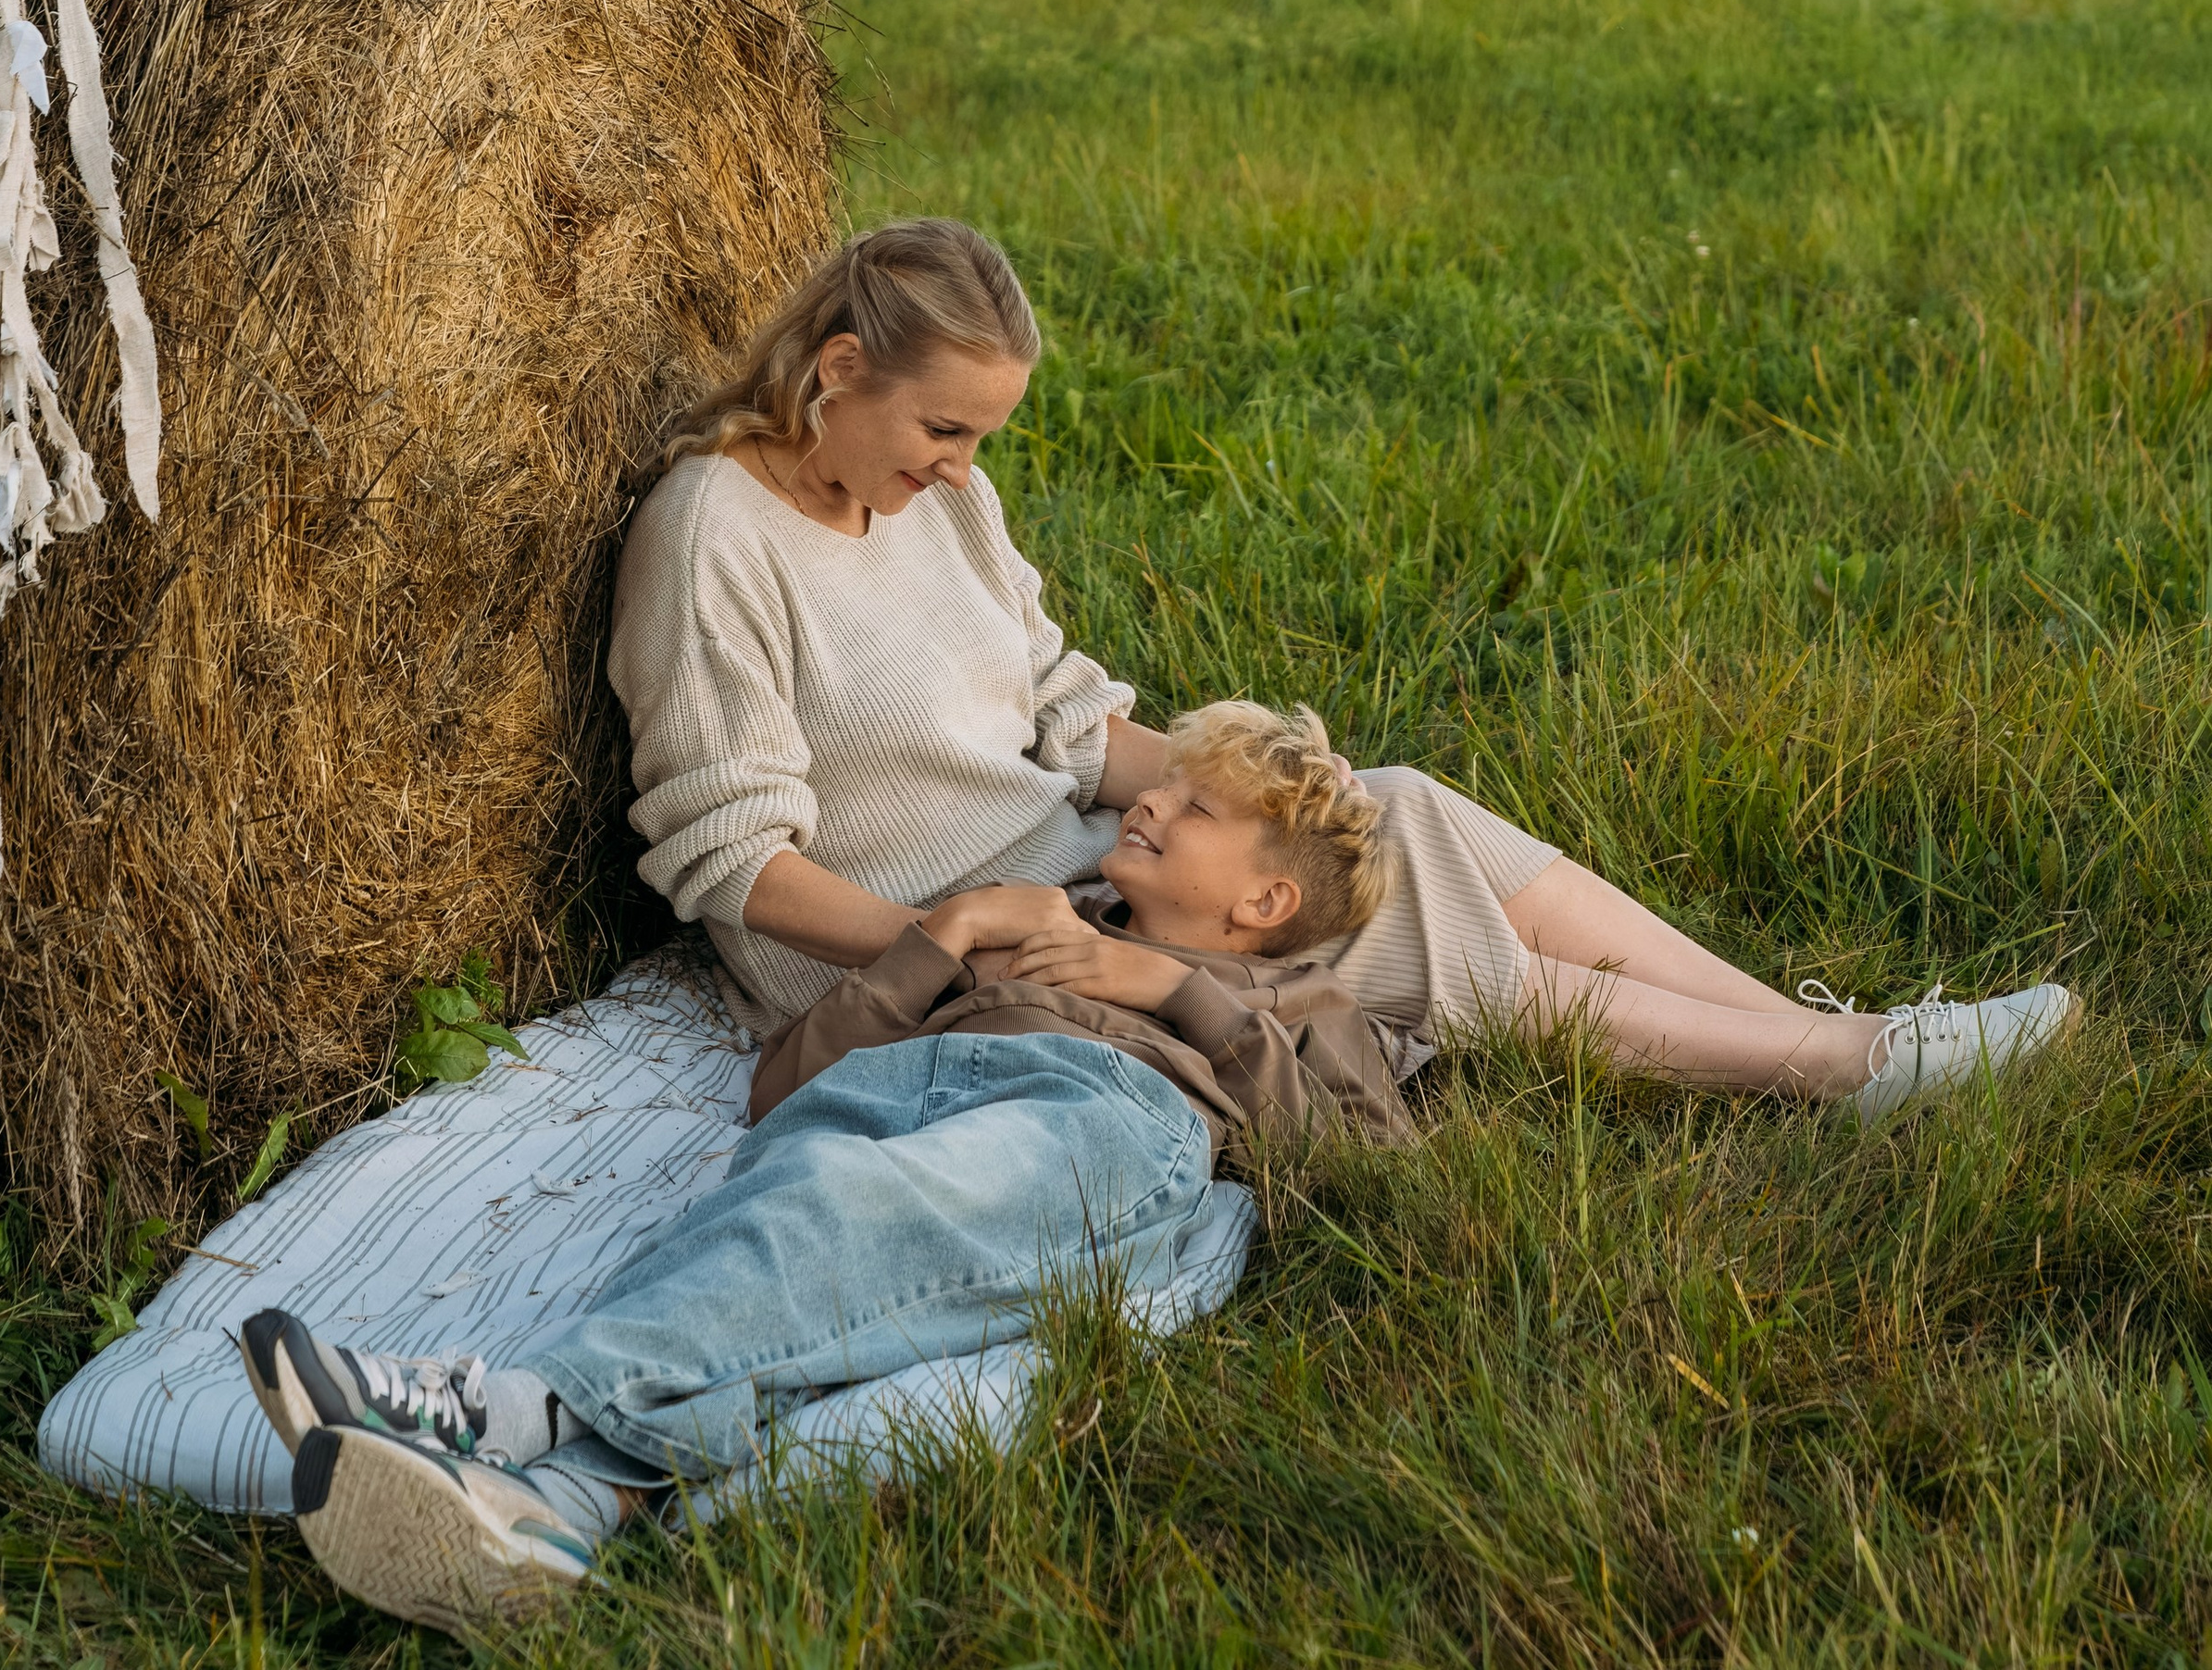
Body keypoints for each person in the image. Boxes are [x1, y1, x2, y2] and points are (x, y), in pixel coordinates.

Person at [608, 218, 2073, 1107]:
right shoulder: (714, 535)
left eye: (983, 437)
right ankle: (1849, 1072)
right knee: (1405, 938)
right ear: (841, 369)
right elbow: (731, 866)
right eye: (947, 430)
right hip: (927, 954)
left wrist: (1243, 793)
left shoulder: (949, 509)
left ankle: (1828, 1033)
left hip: (1084, 878)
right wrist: (966, 936)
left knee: (1395, 813)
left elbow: (1060, 723)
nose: (965, 467)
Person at [241, 701, 1415, 1634]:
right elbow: (779, 1092)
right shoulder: (1042, 917)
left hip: (1100, 1112)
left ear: (1268, 899)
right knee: (782, 1221)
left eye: (1196, 805)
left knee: (867, 1212)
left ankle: (497, 1406)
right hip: (892, 1089)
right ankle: (561, 1513)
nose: (1149, 794)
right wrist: (941, 938)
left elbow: (1365, 1173)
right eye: (1168, 780)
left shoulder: (1294, 1003)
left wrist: (1177, 994)